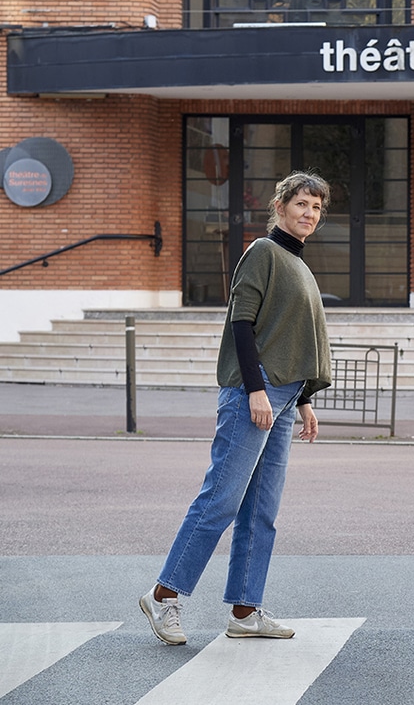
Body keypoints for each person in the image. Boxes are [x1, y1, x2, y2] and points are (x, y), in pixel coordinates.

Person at [139, 171, 333, 645]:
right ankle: (164, 595)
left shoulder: (298, 263)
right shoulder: (263, 252)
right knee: (221, 500)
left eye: (316, 207)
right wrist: (254, 389)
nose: (309, 214)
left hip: (283, 397)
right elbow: (241, 323)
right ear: (280, 206)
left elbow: (290, 337)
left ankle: (245, 610)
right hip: (256, 392)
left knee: (262, 509)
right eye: (301, 204)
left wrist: (304, 401)